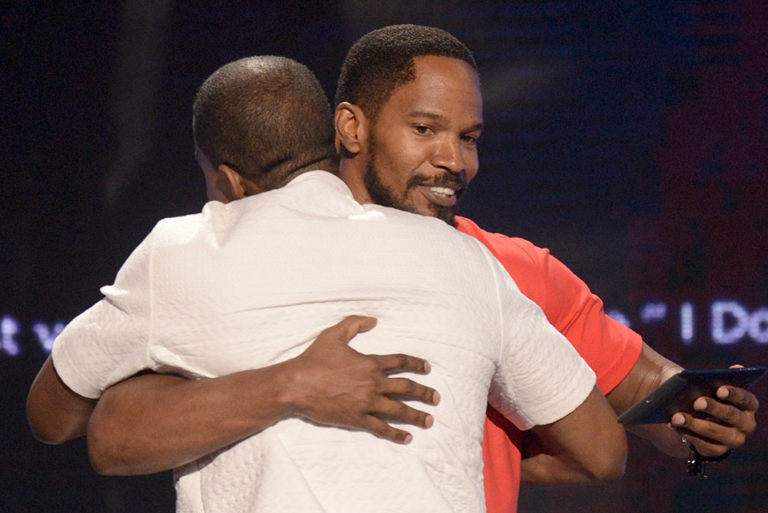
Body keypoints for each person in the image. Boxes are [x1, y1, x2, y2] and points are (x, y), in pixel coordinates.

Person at [27, 25, 758, 512]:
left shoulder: (503, 266)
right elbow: (111, 427)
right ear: (349, 127)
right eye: (425, 129)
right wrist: (290, 392)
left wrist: (697, 416)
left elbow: (635, 406)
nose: (453, 159)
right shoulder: (224, 256)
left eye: (468, 136)